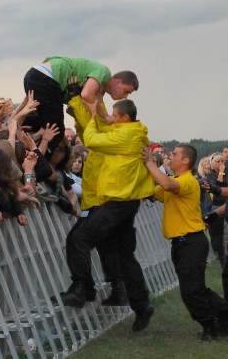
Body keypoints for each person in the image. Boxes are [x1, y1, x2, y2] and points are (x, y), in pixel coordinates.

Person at [61, 99, 155, 333]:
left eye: (113, 114)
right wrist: (80, 109)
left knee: (80, 238)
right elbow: (99, 130)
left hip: (117, 203)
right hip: (124, 202)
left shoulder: (126, 136)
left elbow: (92, 138)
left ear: (123, 118)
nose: (110, 118)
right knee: (124, 255)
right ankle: (141, 305)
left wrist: (91, 114)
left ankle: (84, 289)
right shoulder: (130, 133)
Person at [147, 144, 228, 340]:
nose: (170, 157)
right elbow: (151, 191)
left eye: (174, 154)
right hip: (183, 244)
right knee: (194, 290)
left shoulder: (188, 181)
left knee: (192, 291)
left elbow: (166, 185)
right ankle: (221, 321)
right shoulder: (175, 181)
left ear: (185, 161)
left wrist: (148, 163)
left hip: (191, 242)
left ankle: (211, 327)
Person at [22, 57, 138, 152]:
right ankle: (37, 165)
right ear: (118, 81)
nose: (125, 96)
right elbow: (86, 95)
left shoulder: (99, 91)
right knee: (56, 131)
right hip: (47, 78)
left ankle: (21, 141)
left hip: (37, 75)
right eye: (126, 91)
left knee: (40, 124)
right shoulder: (104, 73)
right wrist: (107, 116)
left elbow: (94, 111)